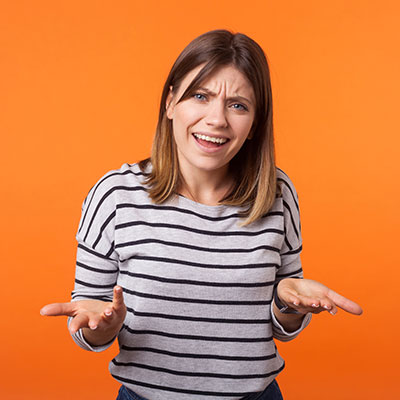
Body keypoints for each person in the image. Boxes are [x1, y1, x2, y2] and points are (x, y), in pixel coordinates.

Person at [40, 29, 363, 400]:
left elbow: (282, 325)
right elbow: (89, 318)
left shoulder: (276, 193)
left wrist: (289, 305)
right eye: (200, 96)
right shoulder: (115, 195)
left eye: (238, 105)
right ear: (170, 103)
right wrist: (102, 328)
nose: (217, 119)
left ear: (254, 124)